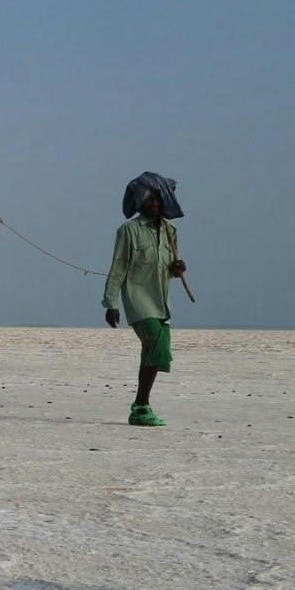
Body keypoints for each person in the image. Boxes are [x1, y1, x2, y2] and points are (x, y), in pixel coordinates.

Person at [104, 172, 187, 426]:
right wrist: (111, 303)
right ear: (141, 201)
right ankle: (141, 403)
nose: (154, 203)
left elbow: (167, 270)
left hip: (162, 302)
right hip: (138, 300)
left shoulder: (171, 231)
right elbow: (118, 266)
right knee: (159, 348)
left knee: (152, 352)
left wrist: (177, 270)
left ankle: (141, 407)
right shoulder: (128, 231)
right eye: (149, 198)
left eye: (158, 198)